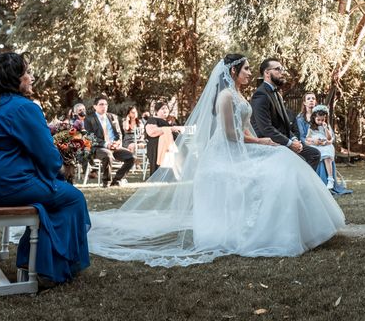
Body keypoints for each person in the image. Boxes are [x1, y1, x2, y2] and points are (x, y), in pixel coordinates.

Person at [87, 54, 345, 267]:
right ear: (233, 72)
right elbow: (231, 135)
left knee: (284, 161)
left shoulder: (238, 95)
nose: (248, 73)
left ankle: (300, 227)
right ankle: (270, 231)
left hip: (241, 149)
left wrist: (263, 143)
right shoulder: (225, 97)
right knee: (280, 162)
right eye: (245, 69)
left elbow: (243, 130)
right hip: (224, 155)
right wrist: (262, 142)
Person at [0, 52, 90, 283]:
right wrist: (61, 168)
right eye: (27, 73)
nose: (32, 78)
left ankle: (31, 258)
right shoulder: (24, 107)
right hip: (7, 185)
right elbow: (49, 158)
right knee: (73, 198)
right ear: (15, 78)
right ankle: (45, 268)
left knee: (50, 198)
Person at [250, 59, 321, 170]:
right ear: (267, 73)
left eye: (282, 69)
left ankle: (302, 185)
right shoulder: (260, 94)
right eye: (278, 69)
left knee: (314, 154)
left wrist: (294, 139)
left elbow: (285, 125)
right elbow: (265, 129)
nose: (282, 72)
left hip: (284, 140)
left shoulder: (277, 94)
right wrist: (289, 144)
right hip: (270, 144)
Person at [83, 96, 135, 187]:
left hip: (114, 147)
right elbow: (90, 137)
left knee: (131, 157)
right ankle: (106, 182)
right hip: (98, 148)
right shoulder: (89, 119)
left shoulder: (113, 117)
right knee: (107, 154)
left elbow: (119, 134)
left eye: (106, 104)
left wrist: (117, 143)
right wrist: (106, 144)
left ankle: (117, 180)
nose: (104, 106)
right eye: (101, 104)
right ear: (95, 106)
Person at [145, 102, 182, 176]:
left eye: (166, 108)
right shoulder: (152, 120)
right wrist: (169, 129)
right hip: (156, 145)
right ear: (156, 111)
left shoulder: (171, 120)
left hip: (172, 144)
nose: (165, 110)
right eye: (162, 109)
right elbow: (152, 132)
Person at [306, 105, 336, 189]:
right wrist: (313, 141)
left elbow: (329, 138)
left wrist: (325, 128)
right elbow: (307, 137)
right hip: (316, 144)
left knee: (327, 155)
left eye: (322, 119)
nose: (320, 121)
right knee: (315, 153)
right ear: (314, 118)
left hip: (325, 145)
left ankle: (330, 179)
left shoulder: (326, 126)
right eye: (318, 119)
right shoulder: (311, 127)